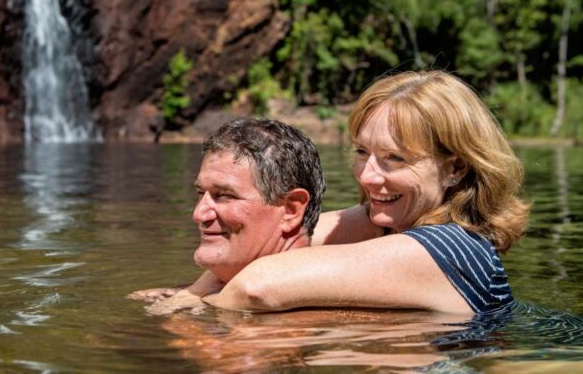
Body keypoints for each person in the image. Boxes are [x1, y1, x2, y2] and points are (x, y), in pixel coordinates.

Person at [201, 70, 530, 314]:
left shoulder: (455, 248)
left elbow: (257, 285)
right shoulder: (393, 222)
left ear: (454, 169)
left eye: (394, 158)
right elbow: (266, 243)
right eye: (361, 152)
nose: (368, 176)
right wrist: (189, 292)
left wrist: (187, 315)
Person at [128, 118, 326, 312]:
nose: (199, 214)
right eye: (200, 194)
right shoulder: (198, 294)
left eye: (224, 195)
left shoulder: (302, 319)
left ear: (290, 210)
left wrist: (185, 328)